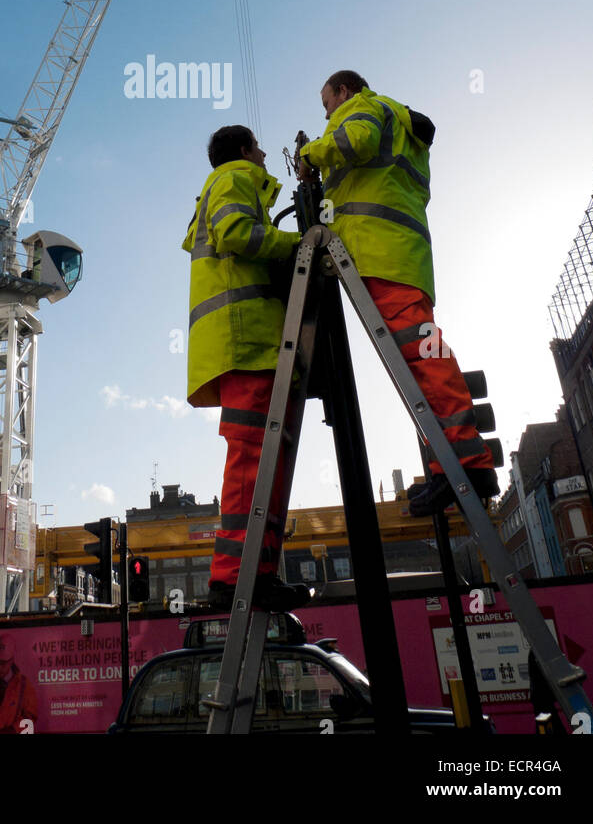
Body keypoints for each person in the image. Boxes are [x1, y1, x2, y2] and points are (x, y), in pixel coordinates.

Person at [297, 70, 499, 517]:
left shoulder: (363, 107)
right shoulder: (401, 121)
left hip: (380, 249)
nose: (327, 112)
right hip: (396, 250)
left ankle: (467, 461)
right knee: (417, 365)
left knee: (423, 356)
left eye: (327, 101)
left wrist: (311, 154)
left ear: (344, 91)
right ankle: (447, 466)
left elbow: (355, 141)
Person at [182, 124, 309, 612]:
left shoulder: (229, 184)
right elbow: (237, 235)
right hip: (246, 340)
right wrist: (292, 246)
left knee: (265, 464)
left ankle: (254, 573)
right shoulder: (234, 176)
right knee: (254, 462)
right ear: (241, 150)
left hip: (248, 342)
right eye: (257, 148)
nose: (262, 156)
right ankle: (235, 576)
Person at [0, 633, 39, 734]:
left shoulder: (24, 685)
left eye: (4, 662)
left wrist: (13, 730)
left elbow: (30, 716)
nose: (0, 667)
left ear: (12, 660)